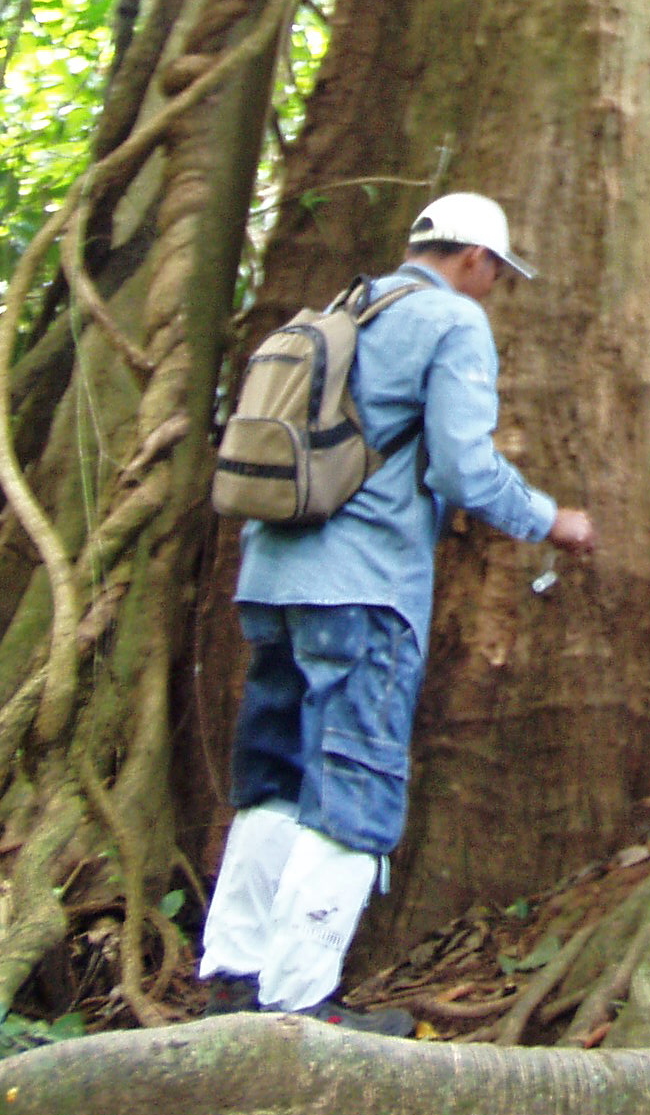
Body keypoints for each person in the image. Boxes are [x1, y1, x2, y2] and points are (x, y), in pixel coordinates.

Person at [198, 193, 595, 1031]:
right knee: (356, 787)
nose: (492, 290)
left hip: (270, 580)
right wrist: (551, 520)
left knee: (274, 781)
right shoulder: (451, 322)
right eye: (495, 274)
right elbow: (462, 468)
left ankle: (232, 976)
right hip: (362, 590)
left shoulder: (346, 306)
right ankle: (300, 1008)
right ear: (476, 259)